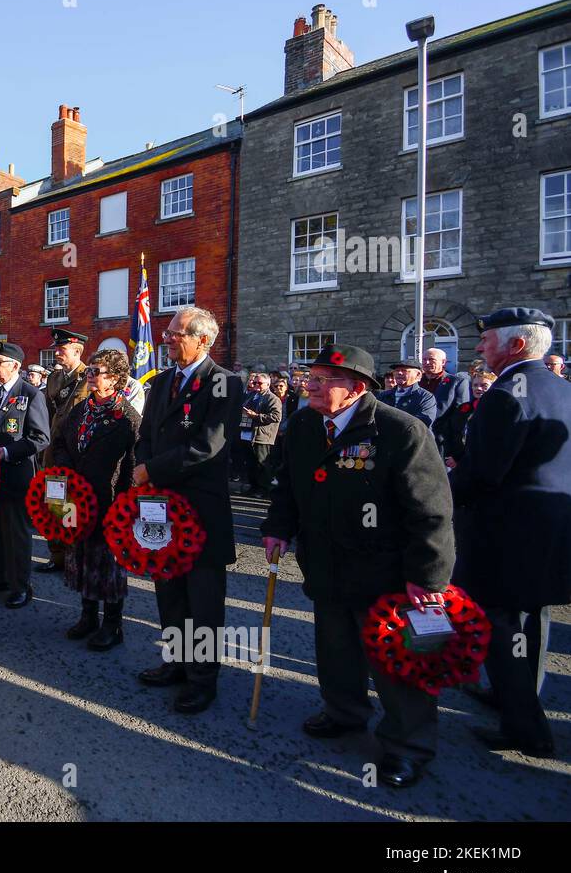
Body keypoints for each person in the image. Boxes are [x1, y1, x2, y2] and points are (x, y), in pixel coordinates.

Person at [262, 343, 454, 789]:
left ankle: (408, 746)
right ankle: (344, 713)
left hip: (386, 575)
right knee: (336, 649)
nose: (310, 383)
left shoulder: (400, 431)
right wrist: (277, 528)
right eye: (310, 375)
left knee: (396, 665)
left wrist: (426, 578)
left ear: (356, 388)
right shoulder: (305, 425)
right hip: (327, 565)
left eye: (324, 378)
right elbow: (287, 485)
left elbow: (431, 512)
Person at [451, 308, 568, 759]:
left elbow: (483, 474)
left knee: (499, 626)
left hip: (506, 534)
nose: (479, 347)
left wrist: (435, 494)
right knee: (533, 621)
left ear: (516, 345)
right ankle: (516, 696)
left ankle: (527, 729)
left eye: (487, 340)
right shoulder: (561, 388)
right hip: (549, 530)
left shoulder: (506, 394)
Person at [133, 306, 242, 714]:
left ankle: (202, 679)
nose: (167, 337)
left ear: (203, 339)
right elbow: (146, 435)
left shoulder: (223, 383)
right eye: (168, 331)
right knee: (169, 590)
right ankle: (175, 662)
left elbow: (208, 447)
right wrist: (144, 467)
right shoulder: (161, 382)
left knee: (203, 600)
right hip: (162, 504)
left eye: (177, 332)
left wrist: (151, 469)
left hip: (200, 509)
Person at [51, 348, 140, 650]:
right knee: (83, 556)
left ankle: (112, 624)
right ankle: (88, 615)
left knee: (109, 564)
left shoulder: (127, 417)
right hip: (79, 497)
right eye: (89, 370)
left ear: (115, 378)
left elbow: (132, 462)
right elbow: (61, 441)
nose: (90, 376)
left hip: (110, 499)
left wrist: (126, 503)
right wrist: (64, 471)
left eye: (96, 372)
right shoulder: (81, 409)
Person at [0, 340, 50, 610]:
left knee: (16, 532)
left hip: (15, 473)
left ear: (15, 366)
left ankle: (20, 586)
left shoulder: (30, 393)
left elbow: (40, 438)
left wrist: (5, 452)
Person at [39, 328, 90, 573]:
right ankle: (56, 555)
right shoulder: (53, 379)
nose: (57, 352)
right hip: (52, 452)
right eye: (56, 348)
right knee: (54, 503)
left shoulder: (89, 377)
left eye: (62, 349)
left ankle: (72, 556)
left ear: (77, 351)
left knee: (73, 507)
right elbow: (49, 414)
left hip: (74, 453)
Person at [238, 372, 282, 497]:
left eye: (260, 383)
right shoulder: (251, 395)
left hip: (262, 436)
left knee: (262, 464)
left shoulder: (272, 398)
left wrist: (256, 416)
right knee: (250, 463)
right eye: (255, 382)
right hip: (247, 433)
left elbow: (276, 416)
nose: (256, 385)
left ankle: (263, 489)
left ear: (268, 384)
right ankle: (253, 487)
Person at [438, 372, 494, 467]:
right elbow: (452, 431)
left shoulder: (496, 409)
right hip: (460, 462)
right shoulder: (464, 408)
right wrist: (454, 456)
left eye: (484, 385)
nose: (478, 388)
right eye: (475, 385)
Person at [375, 359, 437, 428]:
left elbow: (421, 424)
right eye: (396, 371)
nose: (399, 373)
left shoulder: (425, 397)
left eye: (404, 370)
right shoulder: (384, 395)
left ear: (418, 375)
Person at [420, 347, 470, 416]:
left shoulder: (457, 382)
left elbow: (461, 410)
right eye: (424, 359)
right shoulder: (416, 381)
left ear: (443, 362)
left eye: (431, 359)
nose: (427, 362)